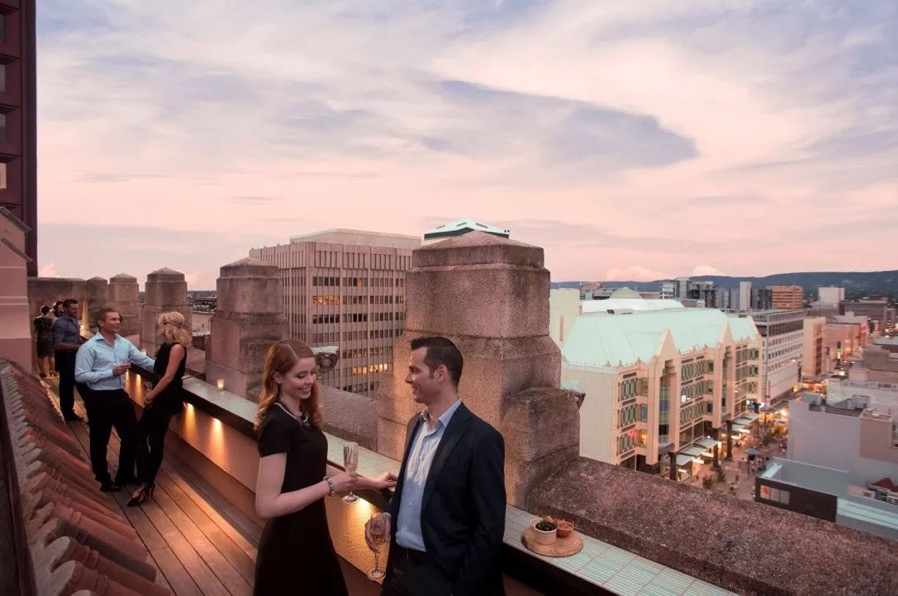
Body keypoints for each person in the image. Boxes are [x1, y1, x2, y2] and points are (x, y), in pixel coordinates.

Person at [253, 339, 397, 596]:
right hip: (288, 547)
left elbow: (316, 467)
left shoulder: (301, 414)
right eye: (300, 375)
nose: (310, 380)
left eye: (312, 373)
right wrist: (329, 486)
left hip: (313, 532)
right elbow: (266, 506)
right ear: (277, 377)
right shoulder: (277, 424)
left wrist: (372, 483)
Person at [365, 336, 506, 596]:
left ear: (440, 373)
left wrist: (459, 590)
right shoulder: (414, 425)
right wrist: (388, 514)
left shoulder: (482, 439)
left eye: (414, 370)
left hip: (441, 579)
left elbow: (489, 529)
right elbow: (410, 490)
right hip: (398, 572)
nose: (407, 379)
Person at [75, 307, 156, 492]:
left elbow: (143, 361)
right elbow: (80, 376)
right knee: (100, 440)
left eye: (119, 319)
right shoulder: (89, 347)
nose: (118, 322)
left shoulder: (124, 343)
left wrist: (167, 369)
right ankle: (102, 479)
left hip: (119, 395)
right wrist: (110, 372)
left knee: (132, 437)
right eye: (112, 319)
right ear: (101, 323)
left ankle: (124, 475)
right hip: (98, 398)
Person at [127, 312, 190, 507]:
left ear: (167, 325)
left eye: (160, 323)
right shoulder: (167, 345)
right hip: (160, 396)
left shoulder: (177, 348)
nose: (157, 326)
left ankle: (145, 482)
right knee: (143, 436)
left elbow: (168, 377)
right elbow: (159, 373)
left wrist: (151, 395)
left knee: (153, 439)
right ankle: (146, 479)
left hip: (165, 398)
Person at [53, 298, 87, 421]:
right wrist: (78, 347)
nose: (76, 311)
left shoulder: (74, 319)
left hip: (75, 356)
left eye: (77, 308)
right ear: (65, 309)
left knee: (76, 384)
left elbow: (76, 338)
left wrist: (86, 343)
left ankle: (72, 414)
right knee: (68, 387)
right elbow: (58, 344)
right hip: (66, 358)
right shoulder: (60, 324)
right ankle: (68, 414)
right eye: (73, 309)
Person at [33, 305, 56, 378]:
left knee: (40, 356)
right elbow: (53, 329)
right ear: (48, 311)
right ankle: (52, 370)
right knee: (51, 355)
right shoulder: (51, 320)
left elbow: (35, 330)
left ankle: (42, 372)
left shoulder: (36, 320)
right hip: (49, 338)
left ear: (41, 311)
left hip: (40, 338)